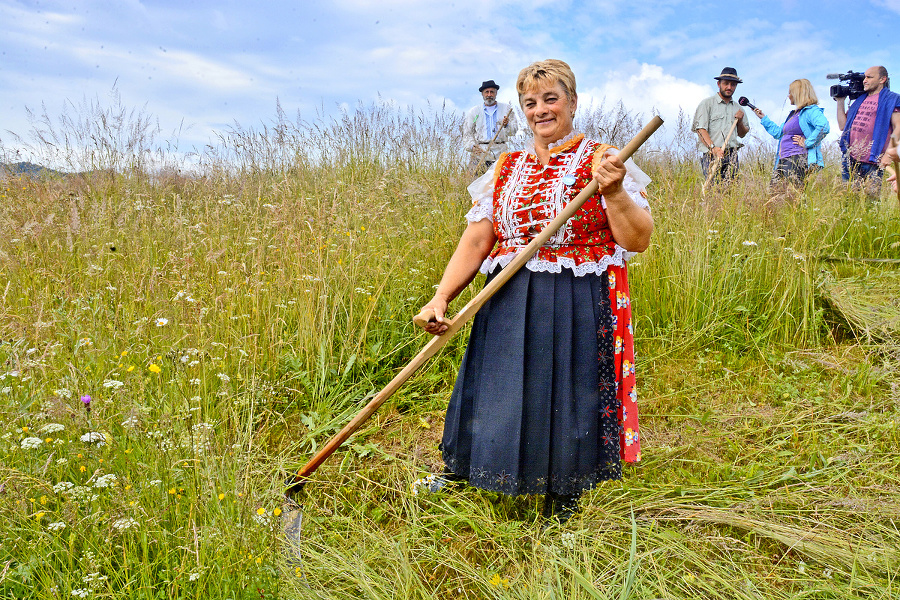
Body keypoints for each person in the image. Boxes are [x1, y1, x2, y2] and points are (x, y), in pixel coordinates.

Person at [416, 59, 653, 523]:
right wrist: (441, 296)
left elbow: (637, 240)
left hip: (576, 293)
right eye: (530, 102)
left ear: (572, 101)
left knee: (568, 390)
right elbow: (479, 237)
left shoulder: (602, 159)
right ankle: (463, 466)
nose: (541, 110)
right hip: (507, 290)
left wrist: (616, 191)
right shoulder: (507, 166)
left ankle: (563, 490)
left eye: (551, 99)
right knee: (492, 383)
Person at [751, 79, 830, 194]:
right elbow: (779, 133)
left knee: (793, 196)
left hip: (797, 158)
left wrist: (807, 142)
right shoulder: (793, 115)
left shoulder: (810, 111)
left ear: (798, 93)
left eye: (790, 92)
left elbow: (824, 126)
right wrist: (763, 118)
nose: (788, 96)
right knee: (774, 195)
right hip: (784, 159)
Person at [836, 66, 900, 195]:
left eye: (869, 77)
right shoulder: (860, 100)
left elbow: (898, 126)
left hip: (873, 159)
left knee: (871, 200)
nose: (864, 80)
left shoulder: (892, 99)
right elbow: (843, 126)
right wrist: (840, 101)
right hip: (850, 158)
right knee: (848, 199)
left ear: (882, 79)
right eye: (865, 77)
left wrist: (888, 155)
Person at [692, 67, 750, 183]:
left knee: (731, 192)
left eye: (733, 84)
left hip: (732, 155)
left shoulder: (738, 108)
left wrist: (740, 122)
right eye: (726, 83)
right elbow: (700, 130)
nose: (729, 87)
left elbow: (743, 134)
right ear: (719, 84)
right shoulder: (707, 104)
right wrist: (713, 148)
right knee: (713, 191)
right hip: (711, 155)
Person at [463, 80, 522, 174]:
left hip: (500, 152)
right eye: (486, 92)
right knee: (473, 182)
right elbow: (467, 132)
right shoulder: (474, 112)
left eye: (492, 92)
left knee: (500, 181)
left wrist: (506, 125)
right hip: (480, 153)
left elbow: (514, 130)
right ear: (482, 94)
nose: (489, 94)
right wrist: (472, 147)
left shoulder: (506, 109)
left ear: (496, 93)